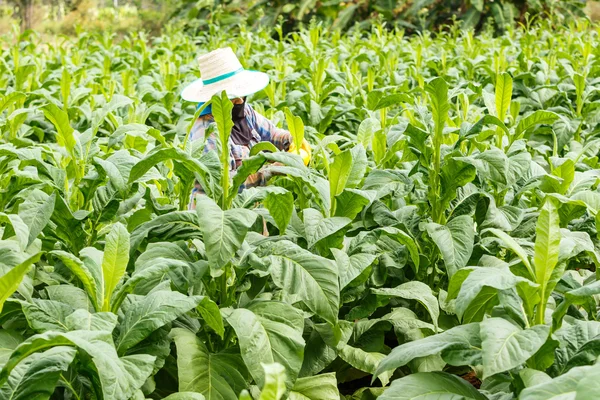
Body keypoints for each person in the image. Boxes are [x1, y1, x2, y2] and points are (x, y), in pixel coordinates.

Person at [181, 47, 311, 209]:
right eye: (232, 99)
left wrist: (293, 140)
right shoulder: (206, 132)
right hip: (216, 217)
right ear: (213, 99)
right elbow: (224, 186)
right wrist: (271, 171)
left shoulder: (243, 111)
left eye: (241, 95)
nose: (241, 102)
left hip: (250, 209)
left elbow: (271, 133)